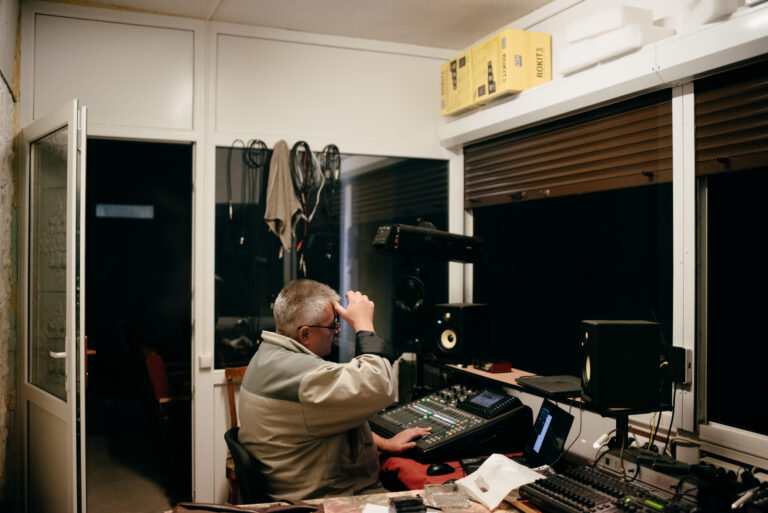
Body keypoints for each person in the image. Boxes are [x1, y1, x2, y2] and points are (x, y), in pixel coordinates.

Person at [238, 279, 431, 500]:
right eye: (332, 325)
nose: (337, 331)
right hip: (327, 500)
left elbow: (326, 417)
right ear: (305, 334)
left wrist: (385, 443)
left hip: (299, 490)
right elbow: (380, 387)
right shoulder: (304, 378)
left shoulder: (266, 357)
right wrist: (364, 326)